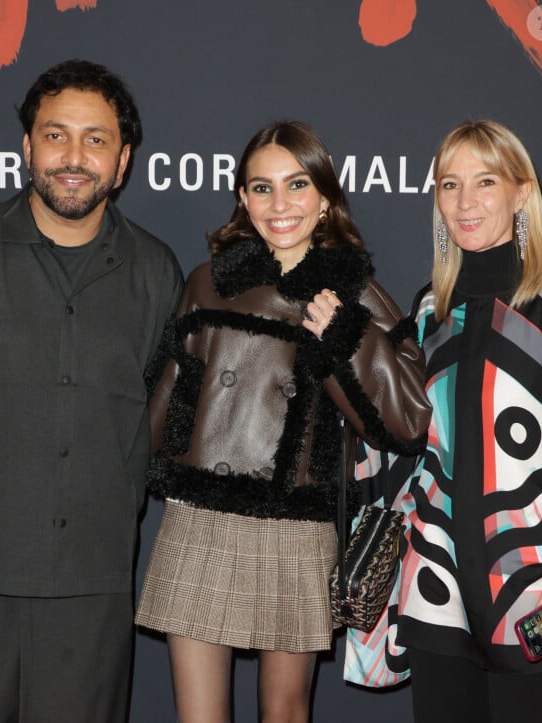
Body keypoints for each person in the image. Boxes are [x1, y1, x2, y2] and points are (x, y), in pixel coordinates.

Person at [135, 119, 430, 722]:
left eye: (297, 184)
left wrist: (343, 335)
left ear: (324, 198)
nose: (280, 204)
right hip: (199, 523)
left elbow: (406, 423)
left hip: (294, 528)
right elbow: (166, 408)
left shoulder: (356, 295)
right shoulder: (206, 282)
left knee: (286, 713)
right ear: (242, 198)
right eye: (261, 187)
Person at [0, 59, 183, 722]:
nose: (74, 157)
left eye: (96, 139)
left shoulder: (157, 272)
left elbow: (165, 423)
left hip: (92, 588)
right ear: (26, 146)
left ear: (123, 160)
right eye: (56, 135)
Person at [397, 119, 542, 722]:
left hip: (534, 588)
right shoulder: (428, 310)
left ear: (522, 193)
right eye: (449, 184)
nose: (464, 202)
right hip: (436, 589)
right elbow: (410, 448)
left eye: (485, 181)